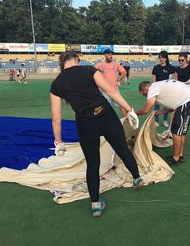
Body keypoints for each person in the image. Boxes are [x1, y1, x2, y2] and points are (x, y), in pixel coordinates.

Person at [50, 52, 144, 217]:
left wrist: (59, 142)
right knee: (122, 148)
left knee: (93, 163)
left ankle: (95, 204)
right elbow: (111, 91)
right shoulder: (88, 69)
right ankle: (137, 179)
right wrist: (129, 110)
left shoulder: (57, 83)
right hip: (106, 114)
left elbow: (56, 118)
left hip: (85, 122)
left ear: (62, 63)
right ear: (77, 59)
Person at [137, 80, 190, 165]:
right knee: (181, 131)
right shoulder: (159, 86)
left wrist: (134, 113)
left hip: (187, 102)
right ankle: (179, 155)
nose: (145, 96)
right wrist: (159, 112)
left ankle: (175, 158)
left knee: (176, 132)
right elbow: (173, 106)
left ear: (144, 89)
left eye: (143, 94)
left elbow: (145, 110)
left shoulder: (152, 89)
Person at [95, 49, 127, 117]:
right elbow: (93, 74)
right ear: (105, 55)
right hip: (104, 90)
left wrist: (118, 79)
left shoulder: (115, 64)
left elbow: (124, 72)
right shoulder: (99, 65)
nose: (111, 56)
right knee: (106, 107)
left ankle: (126, 122)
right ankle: (107, 122)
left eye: (112, 54)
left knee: (121, 105)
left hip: (115, 89)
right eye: (109, 54)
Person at [152, 51, 176, 128]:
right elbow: (153, 78)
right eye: (160, 57)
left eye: (163, 57)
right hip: (158, 90)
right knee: (157, 106)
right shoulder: (156, 67)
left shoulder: (170, 67)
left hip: (167, 90)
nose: (161, 59)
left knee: (166, 106)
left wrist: (173, 78)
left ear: (166, 58)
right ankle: (156, 120)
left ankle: (165, 120)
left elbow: (176, 75)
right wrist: (154, 87)